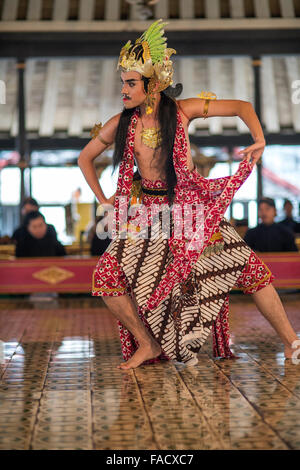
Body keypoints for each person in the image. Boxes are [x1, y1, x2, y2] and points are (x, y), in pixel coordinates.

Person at [78, 19, 299, 370]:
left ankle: (291, 342)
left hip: (191, 209)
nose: (124, 89)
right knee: (106, 277)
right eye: (123, 82)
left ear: (153, 85)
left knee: (251, 271)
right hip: (147, 214)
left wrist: (260, 139)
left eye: (131, 83)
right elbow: (85, 158)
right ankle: (148, 343)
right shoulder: (121, 123)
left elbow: (243, 107)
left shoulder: (182, 112)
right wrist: (105, 200)